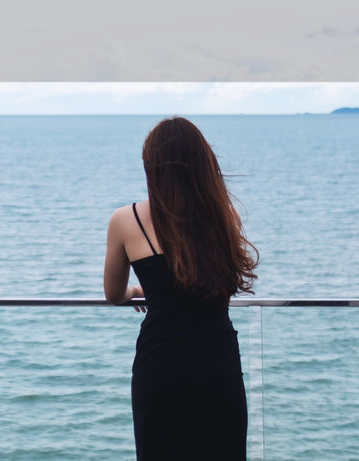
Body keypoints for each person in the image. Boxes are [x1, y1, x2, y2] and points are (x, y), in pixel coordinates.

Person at [103, 116, 259, 460]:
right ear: (204, 165)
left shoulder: (125, 220)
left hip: (161, 366)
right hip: (217, 363)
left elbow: (113, 293)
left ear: (152, 168)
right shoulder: (225, 216)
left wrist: (138, 292)